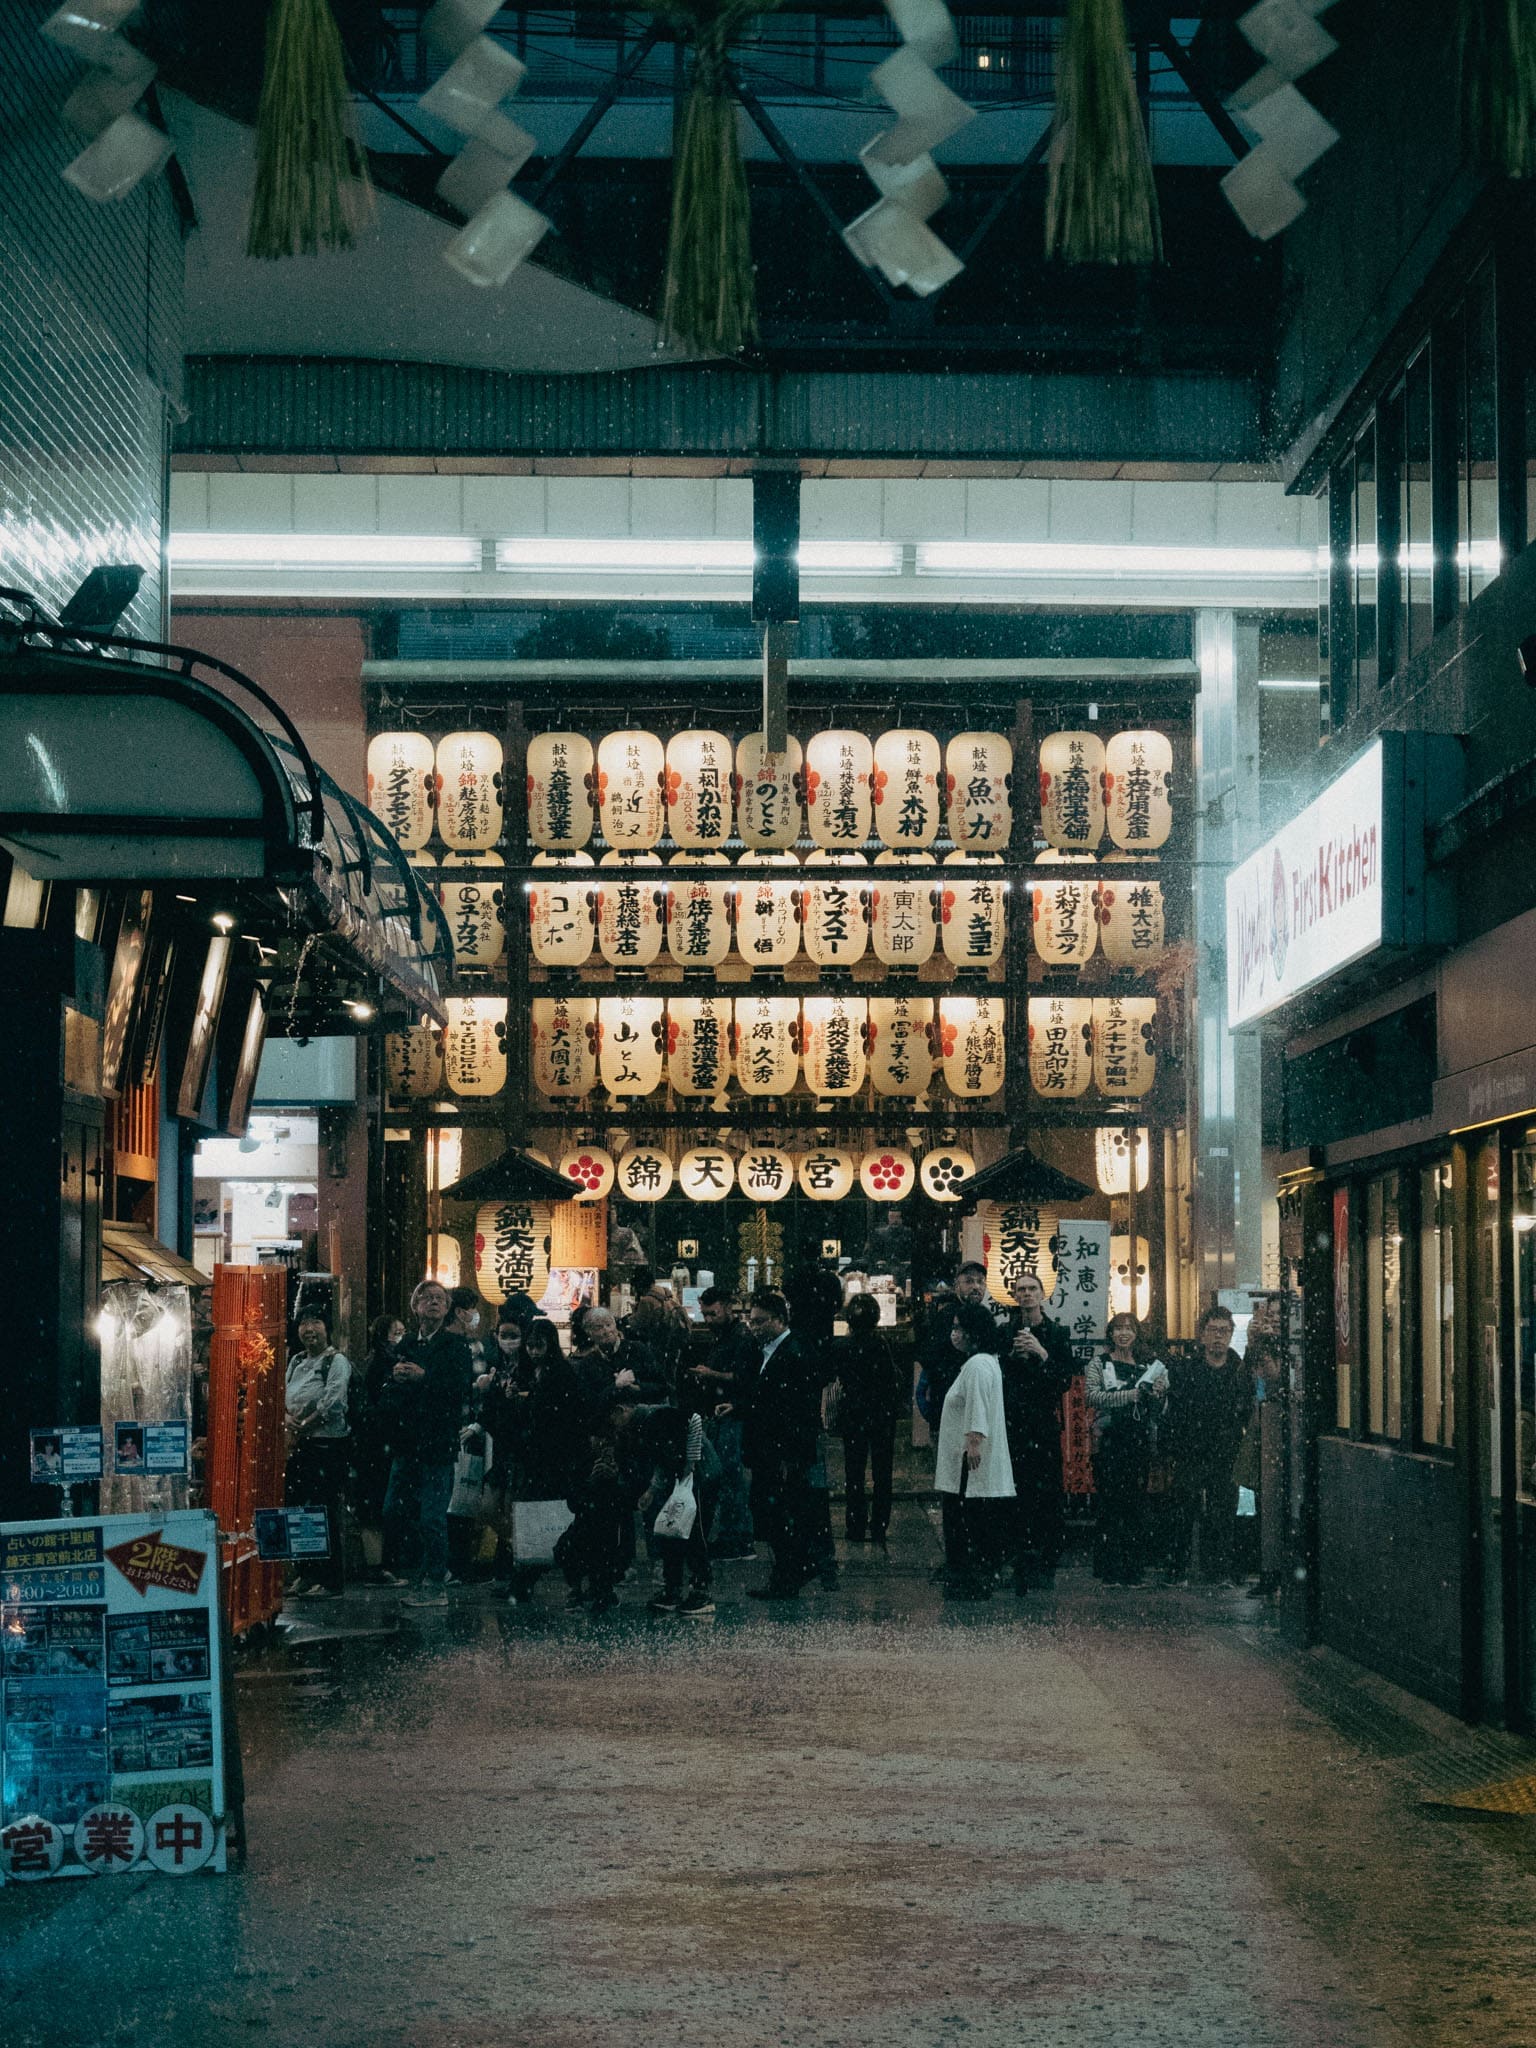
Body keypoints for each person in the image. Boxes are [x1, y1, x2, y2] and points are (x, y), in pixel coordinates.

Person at [378, 1279, 474, 1606]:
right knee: (394, 1510)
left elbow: (459, 1389)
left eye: (438, 1299)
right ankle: (421, 1570)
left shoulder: (455, 1346)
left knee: (433, 1515)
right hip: (406, 1442)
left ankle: (436, 1583)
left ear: (447, 1309)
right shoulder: (405, 1344)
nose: (432, 1303)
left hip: (437, 1443)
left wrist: (423, 1378)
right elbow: (385, 1386)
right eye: (426, 1298)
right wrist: (396, 1381)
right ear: (415, 1307)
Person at [730, 1289, 824, 1601]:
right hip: (768, 1447)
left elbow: (797, 1409)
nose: (754, 1328)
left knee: (783, 1513)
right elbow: (766, 1399)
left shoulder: (794, 1352)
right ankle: (792, 1569)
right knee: (775, 1513)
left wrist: (791, 1453)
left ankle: (790, 1572)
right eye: (751, 1322)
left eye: (760, 1322)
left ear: (780, 1321)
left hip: (781, 1451)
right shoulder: (768, 1351)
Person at [1165, 1305, 1255, 1584]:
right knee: (1182, 1512)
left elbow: (1246, 1410)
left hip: (1226, 1450)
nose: (1218, 1337)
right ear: (1202, 1335)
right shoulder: (1187, 1369)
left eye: (1224, 1331)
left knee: (1223, 1513)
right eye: (1213, 1330)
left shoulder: (1240, 1370)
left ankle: (1219, 1570)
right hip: (1191, 1449)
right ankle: (1176, 1569)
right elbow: (1176, 1411)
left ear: (1231, 1335)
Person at [1001, 1272, 1077, 1592]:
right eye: (1021, 1290)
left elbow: (1064, 1380)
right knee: (1015, 1494)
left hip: (1044, 1424)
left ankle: (1046, 1563)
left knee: (1048, 1495)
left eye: (1032, 1289)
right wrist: (1012, 1357)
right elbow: (998, 1377)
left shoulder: (1058, 1333)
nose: (1027, 1294)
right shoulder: (1005, 1332)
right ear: (1015, 1296)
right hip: (1013, 1424)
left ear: (1043, 1294)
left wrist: (1042, 1353)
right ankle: (1018, 1559)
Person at [935, 1300, 1015, 1600]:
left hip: (967, 1461)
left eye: (959, 1328)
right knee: (973, 1522)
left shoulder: (978, 1364)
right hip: (967, 1459)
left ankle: (969, 1579)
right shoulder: (982, 1362)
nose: (954, 1334)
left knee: (966, 1522)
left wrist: (973, 1442)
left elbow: (977, 1406)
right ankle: (972, 1576)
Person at [1086, 1313, 1166, 1586]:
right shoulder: (1099, 1363)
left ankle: (1133, 1570)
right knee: (1110, 1504)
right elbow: (1092, 1395)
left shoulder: (1146, 1365)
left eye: (1128, 1329)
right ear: (1110, 1334)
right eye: (1118, 1328)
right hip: (1109, 1439)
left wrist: (1158, 1392)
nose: (1123, 1334)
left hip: (1139, 1439)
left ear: (1136, 1334)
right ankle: (1110, 1570)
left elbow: (1160, 1405)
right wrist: (1128, 1396)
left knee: (1136, 1505)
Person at [284, 1308, 352, 1597]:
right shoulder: (296, 1360)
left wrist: (305, 1425)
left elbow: (333, 1401)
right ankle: (305, 1573)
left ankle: (330, 1580)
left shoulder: (336, 1361)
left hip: (326, 1446)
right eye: (304, 1323)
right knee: (299, 1510)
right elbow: (283, 1393)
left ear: (328, 1328)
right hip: (299, 1446)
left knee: (323, 1511)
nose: (309, 1329)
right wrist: (288, 1420)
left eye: (316, 1322)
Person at [833, 1292, 907, 1546]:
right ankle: (879, 1525)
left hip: (853, 1415)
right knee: (881, 1473)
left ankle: (855, 1524)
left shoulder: (842, 1346)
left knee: (854, 1473)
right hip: (881, 1417)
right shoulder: (882, 1344)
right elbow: (892, 1379)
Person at [634, 1403, 720, 1617]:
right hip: (684, 1476)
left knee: (693, 1532)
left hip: (699, 1475)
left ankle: (699, 1588)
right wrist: (654, 1490)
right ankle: (675, 1586)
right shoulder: (649, 1425)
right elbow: (663, 1460)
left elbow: (695, 1419)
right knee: (674, 1531)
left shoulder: (652, 1418)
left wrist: (691, 1461)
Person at [690, 1287, 757, 1558]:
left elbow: (743, 1378)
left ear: (728, 1308)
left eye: (713, 1313)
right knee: (726, 1479)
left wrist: (711, 1374)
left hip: (733, 1416)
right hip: (722, 1415)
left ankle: (737, 1539)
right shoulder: (724, 1336)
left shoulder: (740, 1338)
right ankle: (733, 1536)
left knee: (731, 1479)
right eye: (704, 1314)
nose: (708, 1320)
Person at [353, 1314, 405, 1576]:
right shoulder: (389, 1362)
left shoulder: (370, 1358)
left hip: (370, 1442)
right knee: (383, 1503)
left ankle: (376, 1564)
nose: (401, 1336)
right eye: (398, 1331)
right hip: (382, 1441)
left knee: (372, 1503)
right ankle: (383, 1566)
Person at [918, 1260, 991, 1425]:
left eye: (980, 1282)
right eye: (969, 1281)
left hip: (977, 1401)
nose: (976, 1287)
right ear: (957, 1286)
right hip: (947, 1399)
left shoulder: (984, 1316)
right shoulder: (946, 1315)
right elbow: (929, 1357)